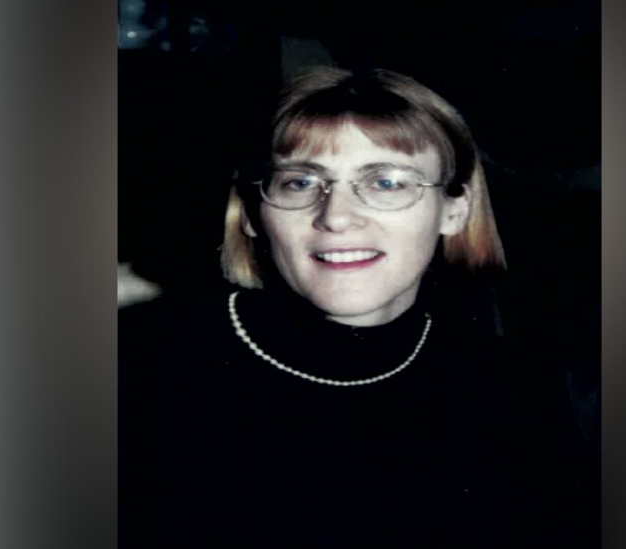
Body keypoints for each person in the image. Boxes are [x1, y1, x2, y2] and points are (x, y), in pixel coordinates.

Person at [120, 66, 588, 546]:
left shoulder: (514, 386)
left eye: (387, 182)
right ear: (256, 216)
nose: (337, 217)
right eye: (300, 182)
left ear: (454, 209)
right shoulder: (142, 364)